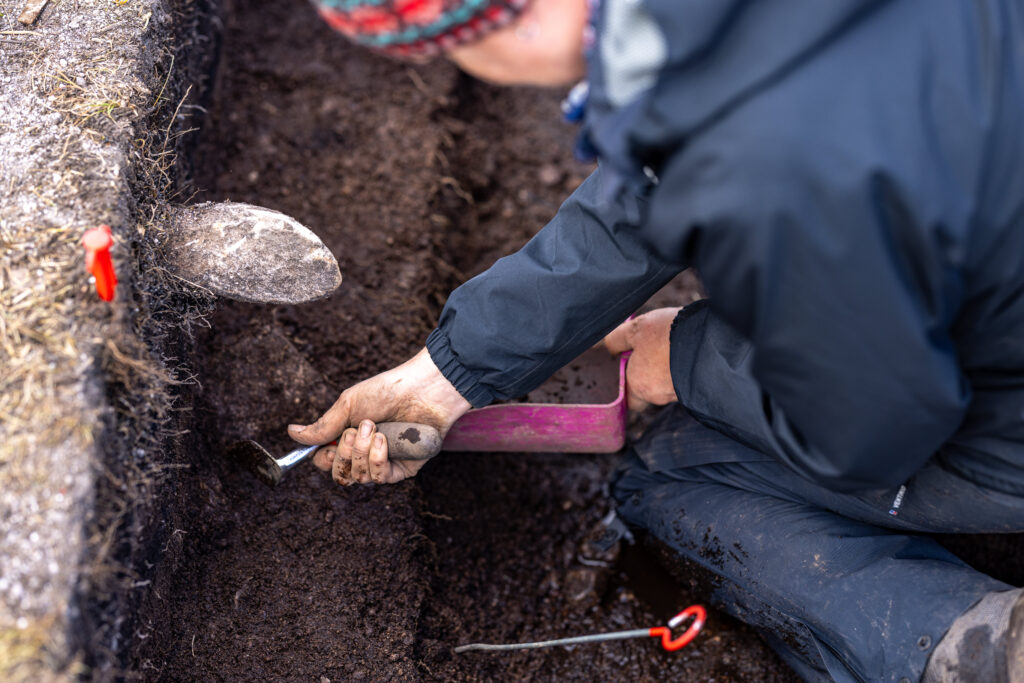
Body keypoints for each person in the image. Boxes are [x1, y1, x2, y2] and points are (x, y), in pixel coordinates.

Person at [288, 1, 1024, 680]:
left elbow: (871, 431)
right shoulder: (723, 35)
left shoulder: (782, 160)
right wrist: (448, 372)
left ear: (496, 30)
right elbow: (657, 178)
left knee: (673, 472)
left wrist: (690, 359)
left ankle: (982, 646)